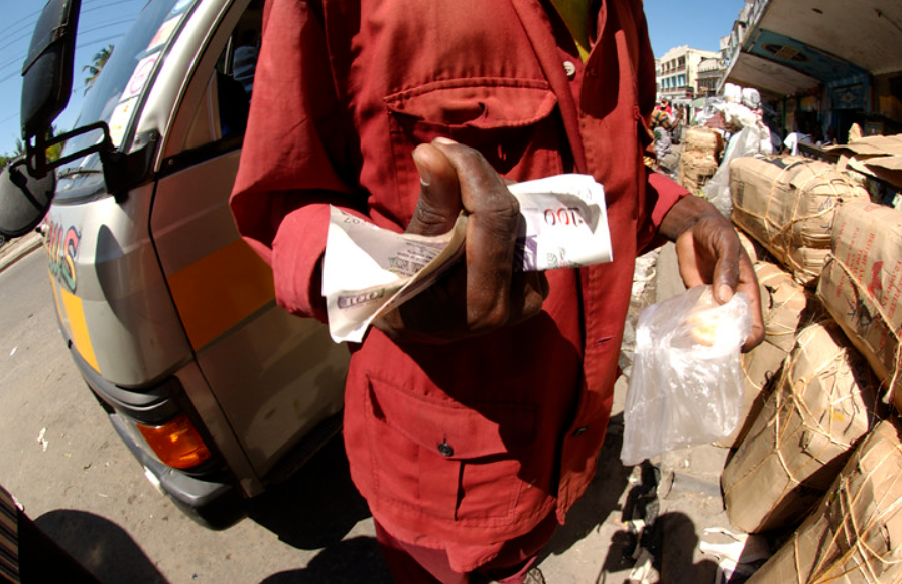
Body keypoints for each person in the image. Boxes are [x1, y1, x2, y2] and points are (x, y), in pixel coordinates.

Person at [230, 1, 764, 583]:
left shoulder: (623, 14)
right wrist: (391, 292)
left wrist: (676, 210)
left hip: (567, 438)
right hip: (447, 471)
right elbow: (285, 204)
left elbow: (607, 174)